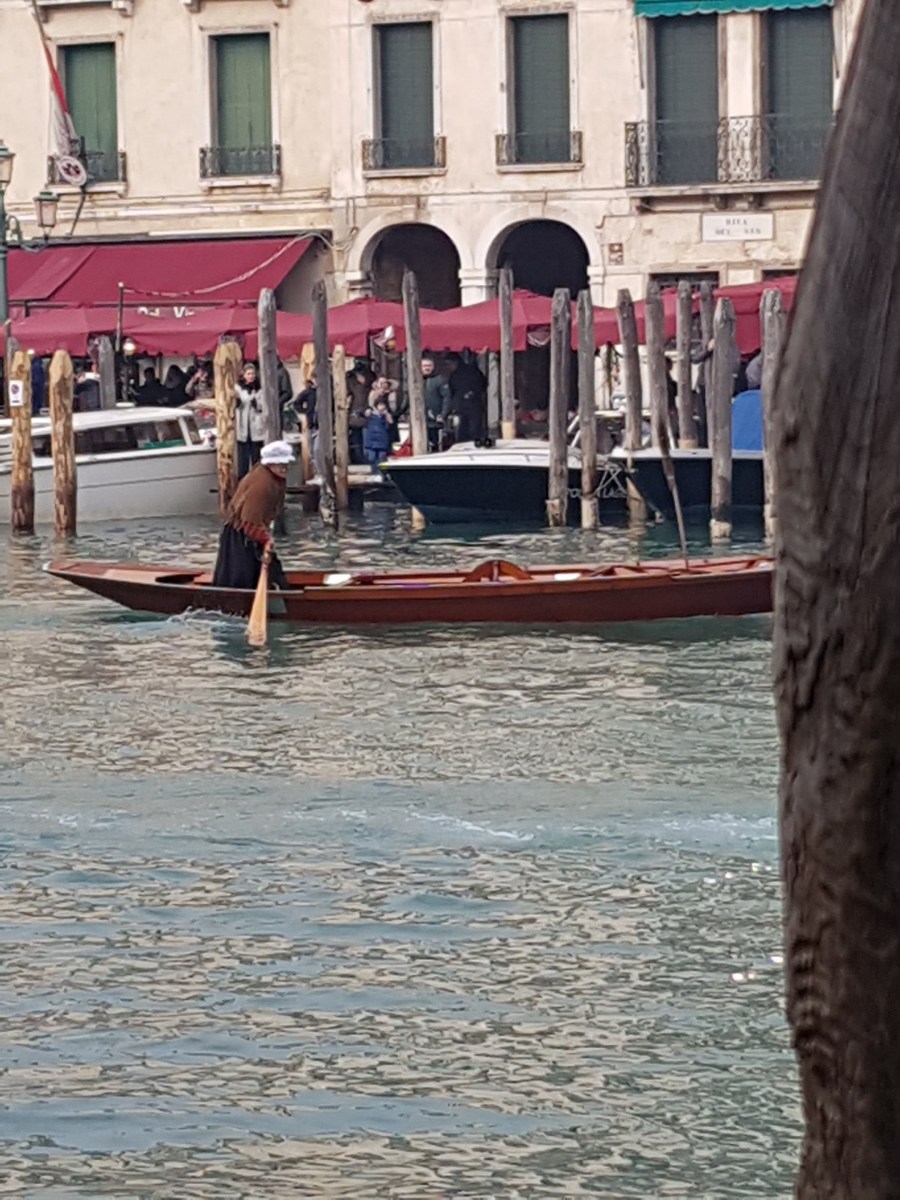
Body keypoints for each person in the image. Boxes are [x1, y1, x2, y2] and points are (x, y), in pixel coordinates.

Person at [212, 440, 293, 590]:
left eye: (285, 464)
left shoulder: (272, 478)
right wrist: (266, 539)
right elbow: (250, 523)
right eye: (280, 464)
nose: (284, 468)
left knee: (269, 572)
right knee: (241, 578)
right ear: (270, 464)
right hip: (241, 535)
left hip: (250, 532)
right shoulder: (262, 484)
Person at [445, 353, 488, 443]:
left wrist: (473, 392)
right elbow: (452, 392)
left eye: (449, 364)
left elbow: (483, 384)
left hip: (473, 406)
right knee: (462, 431)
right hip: (460, 407)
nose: (448, 367)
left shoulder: (472, 372)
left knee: (474, 430)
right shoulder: (454, 375)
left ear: (456, 362)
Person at [235, 362, 267, 479]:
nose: (251, 376)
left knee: (256, 456)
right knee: (243, 457)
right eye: (248, 374)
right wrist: (247, 398)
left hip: (256, 425)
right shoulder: (238, 388)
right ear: (244, 375)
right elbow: (238, 403)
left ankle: (256, 478)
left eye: (252, 373)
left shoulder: (259, 388)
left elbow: (262, 406)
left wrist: (254, 401)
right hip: (242, 426)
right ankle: (242, 479)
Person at [423, 354, 450, 451]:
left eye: (429, 366)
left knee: (435, 445)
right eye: (424, 366)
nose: (427, 368)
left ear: (433, 367)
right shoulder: (415, 380)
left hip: (435, 421)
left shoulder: (439, 380)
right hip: (418, 421)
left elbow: (447, 398)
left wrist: (443, 414)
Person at [363, 395, 393, 471]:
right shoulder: (371, 414)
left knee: (382, 459)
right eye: (380, 405)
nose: (382, 407)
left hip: (382, 442)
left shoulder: (387, 415)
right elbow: (362, 413)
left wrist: (388, 417)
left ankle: (383, 473)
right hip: (371, 441)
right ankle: (374, 472)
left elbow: (391, 425)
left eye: (383, 405)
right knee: (371, 458)